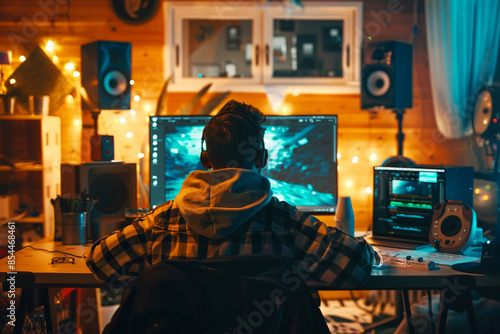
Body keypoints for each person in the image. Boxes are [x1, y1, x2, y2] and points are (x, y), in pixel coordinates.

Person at [86, 99, 377, 289]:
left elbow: (98, 261)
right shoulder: (285, 222)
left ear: (205, 159)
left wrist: (150, 269)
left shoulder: (162, 222)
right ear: (261, 158)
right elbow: (357, 265)